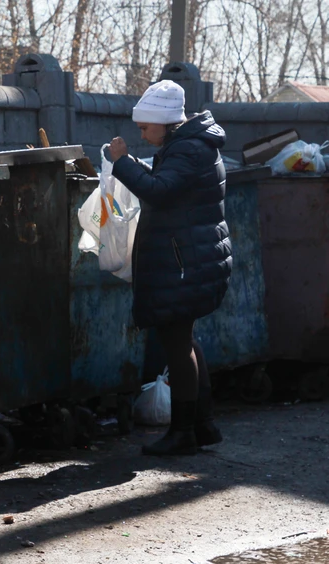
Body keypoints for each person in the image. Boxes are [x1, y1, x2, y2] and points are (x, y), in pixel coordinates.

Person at [108, 79, 232, 456]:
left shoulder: (189, 149)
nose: (142, 134)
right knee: (184, 341)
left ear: (164, 121)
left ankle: (183, 433)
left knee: (177, 346)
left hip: (184, 262)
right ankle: (203, 425)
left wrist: (122, 163)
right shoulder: (189, 145)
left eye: (146, 127)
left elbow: (159, 191)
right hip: (191, 257)